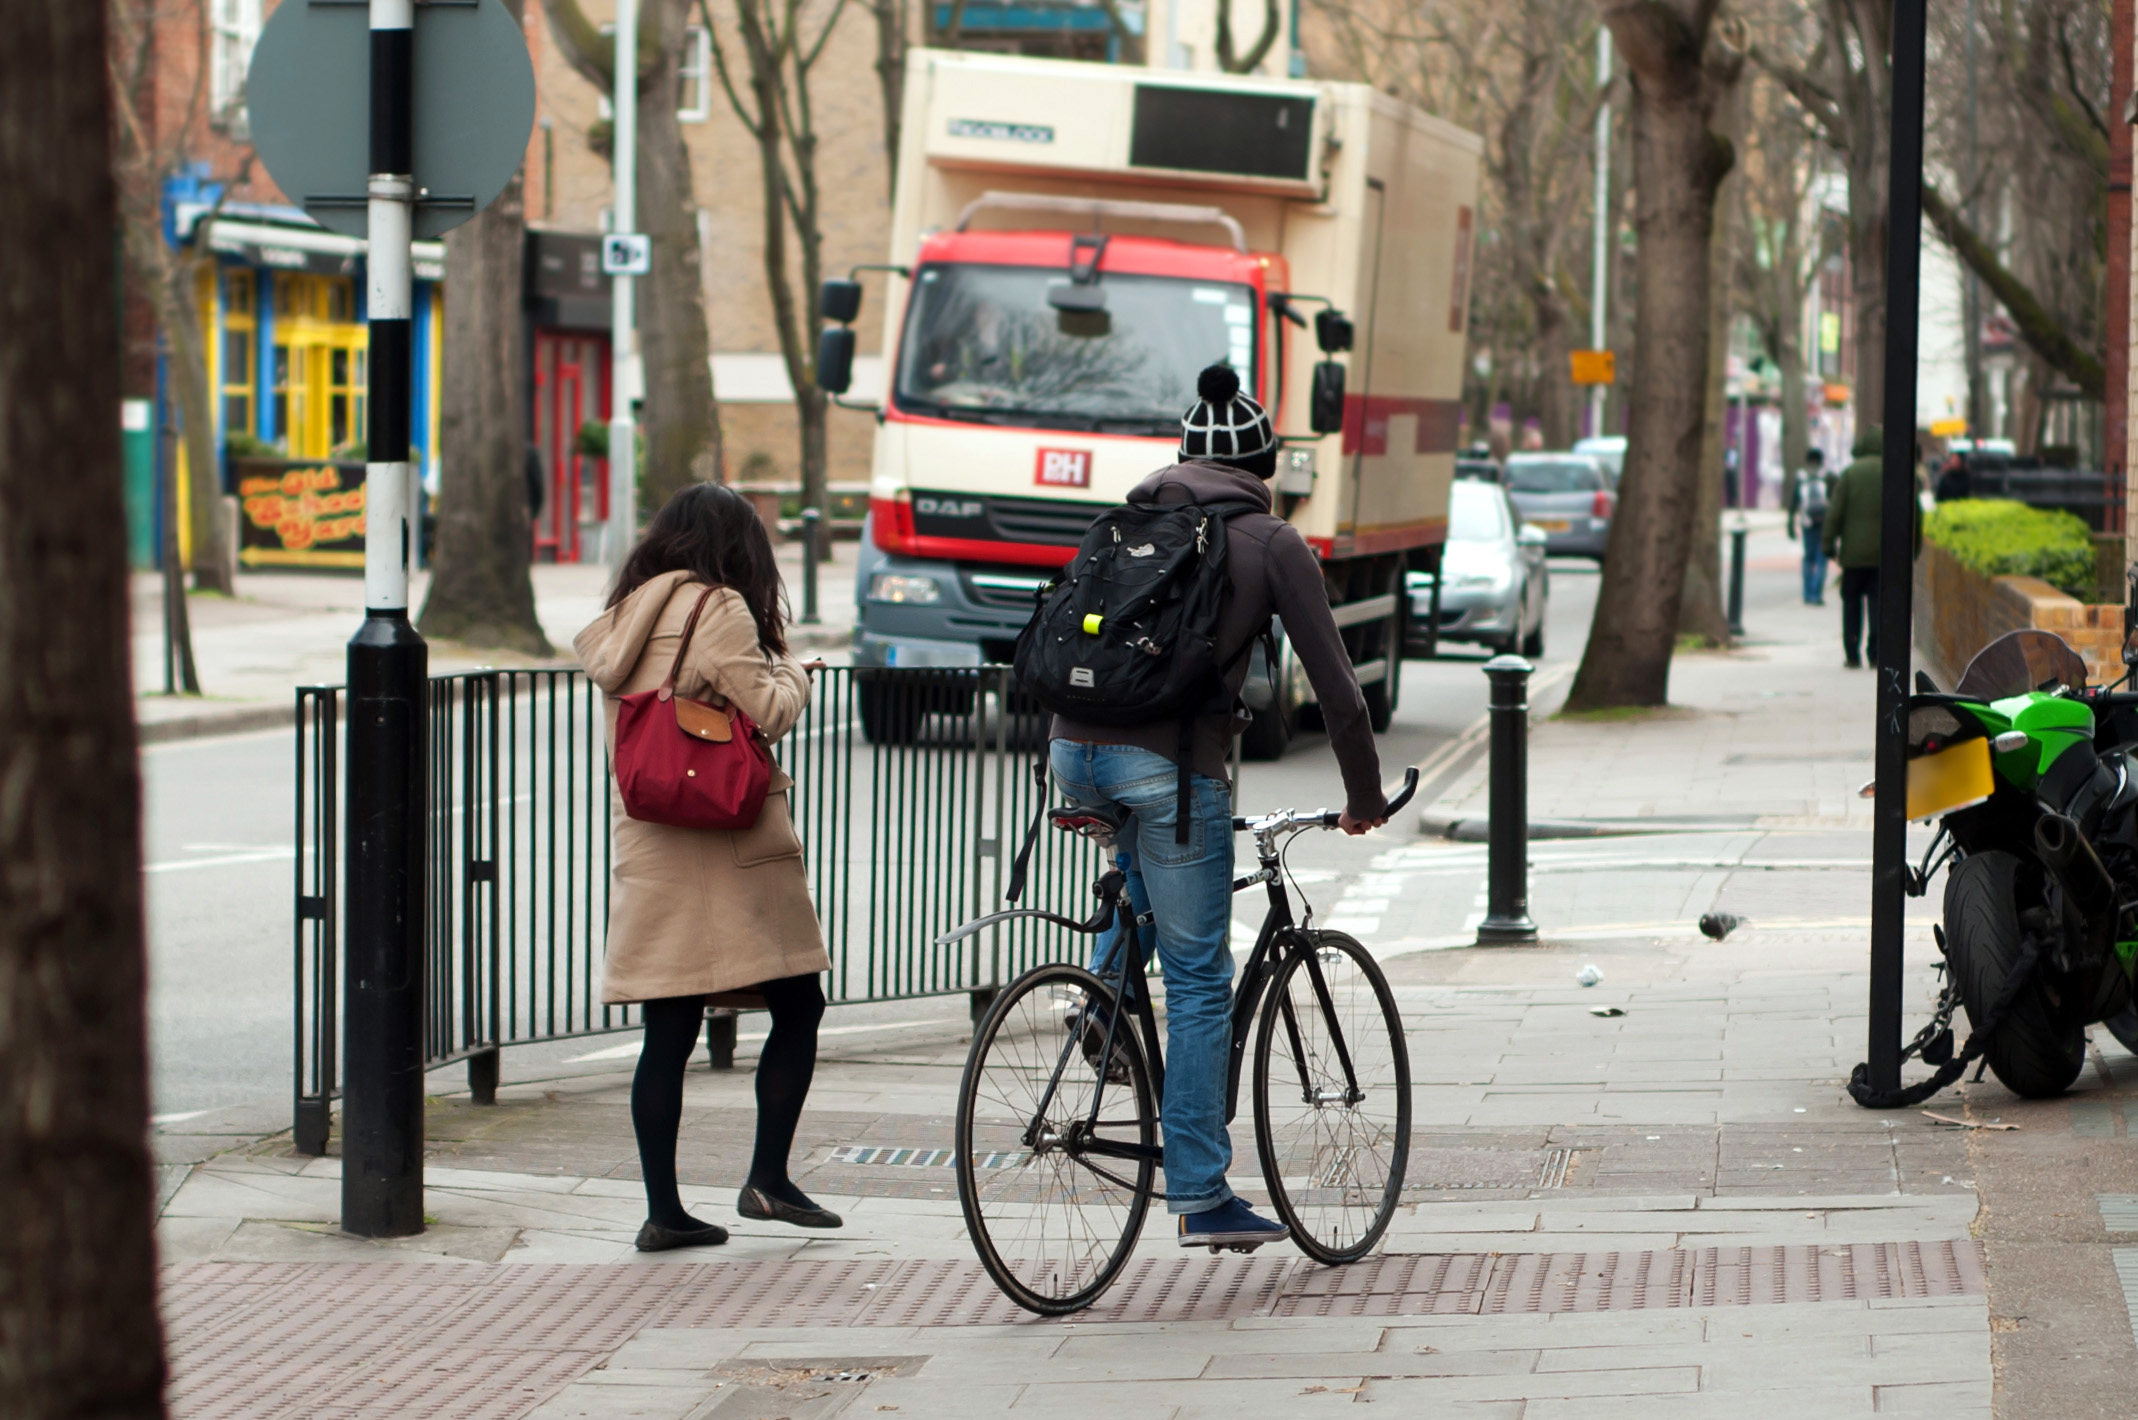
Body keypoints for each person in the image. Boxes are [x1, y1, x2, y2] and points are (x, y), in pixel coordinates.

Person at [1049, 364, 1390, 1252]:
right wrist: (1364, 799)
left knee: (1141, 871)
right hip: (1170, 764)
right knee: (1202, 979)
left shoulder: (1124, 519)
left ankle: (1101, 999)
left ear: (1182, 458)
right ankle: (1202, 1191)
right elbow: (1340, 693)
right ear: (1265, 467)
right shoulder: (1273, 544)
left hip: (1071, 748)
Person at [573, 484, 838, 1252]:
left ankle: (664, 1210)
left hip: (653, 840)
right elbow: (769, 709)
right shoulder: (719, 607)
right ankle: (767, 1178)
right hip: (728, 840)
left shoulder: (624, 617)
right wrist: (796, 672)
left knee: (670, 1027)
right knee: (799, 1004)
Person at [1823, 425, 1920, 669]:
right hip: (1884, 556)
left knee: (1851, 603)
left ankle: (1851, 653)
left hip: (1853, 557)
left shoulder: (1850, 474)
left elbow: (1835, 512)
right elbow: (1915, 515)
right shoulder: (1898, 472)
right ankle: (1876, 653)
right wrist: (1913, 549)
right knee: (1879, 605)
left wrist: (1828, 544)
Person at [1784, 447, 1830, 606]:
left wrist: (1790, 522)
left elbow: (1793, 503)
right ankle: (1816, 594)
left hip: (1807, 523)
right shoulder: (1828, 476)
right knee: (1822, 558)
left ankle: (1807, 592)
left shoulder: (1800, 477)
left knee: (1808, 558)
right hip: (1824, 523)